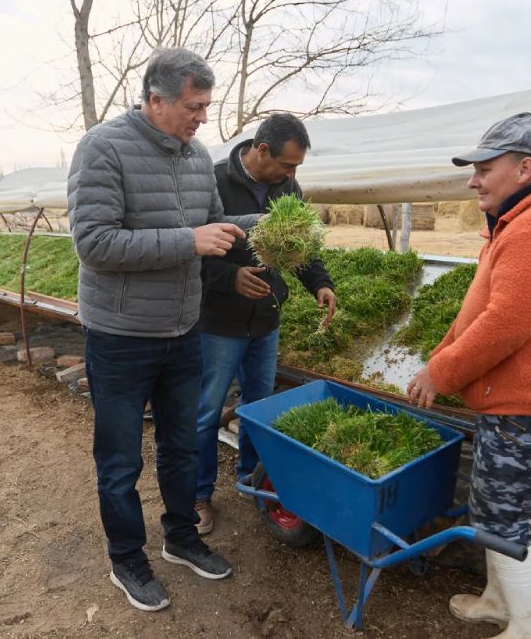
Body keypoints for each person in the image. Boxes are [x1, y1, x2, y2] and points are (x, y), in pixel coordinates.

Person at [67, 47, 259, 613]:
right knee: (121, 458)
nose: (203, 118)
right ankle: (127, 559)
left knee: (182, 444)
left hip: (182, 331)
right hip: (121, 336)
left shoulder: (198, 156)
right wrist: (188, 242)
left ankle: (180, 538)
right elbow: (94, 244)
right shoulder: (103, 148)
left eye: (206, 106)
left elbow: (212, 226)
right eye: (195, 107)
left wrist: (264, 226)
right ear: (157, 100)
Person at [405, 112, 531, 639]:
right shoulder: (522, 222)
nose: (473, 180)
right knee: (494, 511)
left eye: (485, 168)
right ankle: (497, 601)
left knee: (503, 525)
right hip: (517, 409)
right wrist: (440, 354)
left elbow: (505, 325)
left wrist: (440, 373)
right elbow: (479, 311)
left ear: (525, 169)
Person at [193, 113, 336, 534]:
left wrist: (321, 285)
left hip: (266, 318)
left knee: (260, 407)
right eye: (287, 165)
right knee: (205, 412)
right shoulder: (214, 181)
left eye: (296, 169)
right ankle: (199, 496)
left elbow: (300, 246)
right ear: (261, 151)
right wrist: (230, 278)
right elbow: (188, 252)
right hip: (218, 322)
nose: (292, 175)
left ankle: (252, 482)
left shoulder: (287, 188)